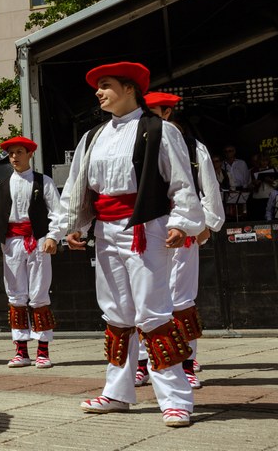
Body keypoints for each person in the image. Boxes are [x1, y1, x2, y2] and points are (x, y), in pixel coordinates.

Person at [60, 62, 205, 428]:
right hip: (105, 230)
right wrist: (73, 225)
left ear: (129, 89)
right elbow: (78, 185)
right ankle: (117, 392)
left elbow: (181, 182)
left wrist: (181, 222)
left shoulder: (159, 130)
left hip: (145, 226)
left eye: (105, 85)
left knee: (153, 313)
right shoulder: (92, 136)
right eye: (98, 86)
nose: (98, 92)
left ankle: (176, 399)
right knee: (116, 313)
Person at [133, 92, 225, 390]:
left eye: (152, 110)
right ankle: (144, 363)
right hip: (148, 228)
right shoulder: (135, 142)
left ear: (167, 112)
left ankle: (186, 364)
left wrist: (207, 223)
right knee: (144, 296)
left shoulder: (192, 146)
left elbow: (208, 187)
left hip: (182, 227)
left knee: (182, 299)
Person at [0, 136, 63, 369]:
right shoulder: (2, 185)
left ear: (30, 154)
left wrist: (53, 236)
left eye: (19, 152)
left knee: (39, 294)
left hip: (38, 240)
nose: (14, 157)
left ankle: (43, 351)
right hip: (12, 243)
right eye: (11, 153)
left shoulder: (43, 181)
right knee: (16, 295)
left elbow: (58, 213)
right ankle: (21, 351)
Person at [221, 144, 251, 220]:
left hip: (241, 189)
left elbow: (246, 176)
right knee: (230, 212)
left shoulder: (241, 163)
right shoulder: (222, 164)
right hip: (228, 190)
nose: (228, 153)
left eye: (230, 151)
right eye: (226, 151)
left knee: (242, 212)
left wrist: (245, 188)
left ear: (234, 152)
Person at [248, 153, 277, 220]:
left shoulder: (273, 169)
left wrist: (271, 182)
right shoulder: (253, 170)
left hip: (270, 197)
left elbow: (276, 185)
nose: (264, 162)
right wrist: (254, 183)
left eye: (266, 160)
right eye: (262, 160)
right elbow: (249, 186)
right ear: (259, 161)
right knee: (259, 217)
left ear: (268, 161)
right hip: (258, 197)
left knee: (271, 217)